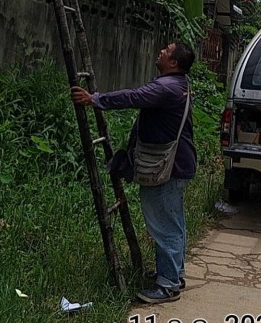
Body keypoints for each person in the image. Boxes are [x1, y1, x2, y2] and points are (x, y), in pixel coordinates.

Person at [71, 42, 197, 304]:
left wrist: (94, 99)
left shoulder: (166, 87)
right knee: (173, 222)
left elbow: (133, 96)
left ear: (174, 63)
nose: (161, 51)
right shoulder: (179, 85)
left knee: (164, 225)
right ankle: (174, 274)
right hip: (177, 164)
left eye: (167, 50)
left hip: (167, 167)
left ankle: (168, 285)